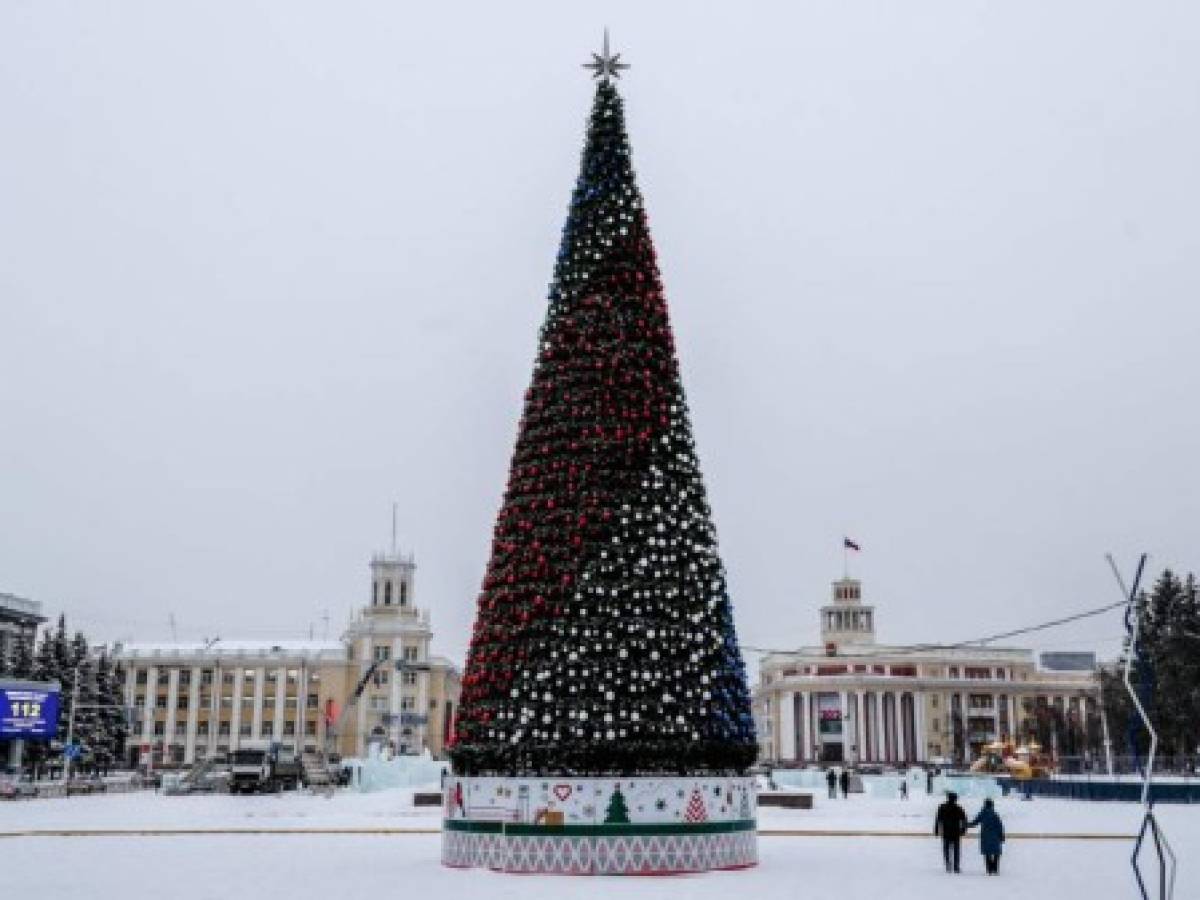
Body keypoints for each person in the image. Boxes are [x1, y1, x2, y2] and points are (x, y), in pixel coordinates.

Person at [968, 798, 1006, 875]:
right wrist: (1002, 836)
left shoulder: (982, 813)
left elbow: (975, 823)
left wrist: (966, 825)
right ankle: (995, 868)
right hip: (995, 836)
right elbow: (1000, 826)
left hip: (986, 836)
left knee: (987, 853)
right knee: (996, 853)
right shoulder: (995, 814)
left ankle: (989, 869)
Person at [934, 791, 968, 873]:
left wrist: (937, 830)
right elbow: (964, 820)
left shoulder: (942, 807)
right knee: (956, 850)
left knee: (946, 849)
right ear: (955, 799)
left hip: (946, 831)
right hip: (956, 832)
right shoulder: (959, 808)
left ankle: (948, 865)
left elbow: (938, 819)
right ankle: (956, 866)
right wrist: (963, 830)